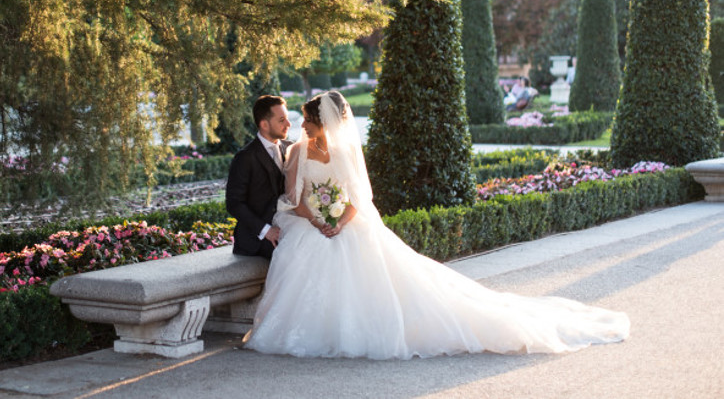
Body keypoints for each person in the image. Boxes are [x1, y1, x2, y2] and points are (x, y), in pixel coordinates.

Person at [245, 90, 630, 359]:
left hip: (346, 223)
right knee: (309, 252)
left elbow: (360, 199)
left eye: (308, 120)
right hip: (311, 221)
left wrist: (340, 223)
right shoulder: (298, 151)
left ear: (323, 122)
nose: (302, 125)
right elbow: (293, 198)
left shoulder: (346, 152)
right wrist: (318, 221)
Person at [226, 94, 292, 258]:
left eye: (287, 119)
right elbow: (234, 203)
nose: (288, 124)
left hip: (287, 227)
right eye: (281, 120)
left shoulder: (291, 149)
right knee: (294, 255)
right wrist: (266, 230)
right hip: (257, 238)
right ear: (264, 124)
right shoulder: (245, 157)